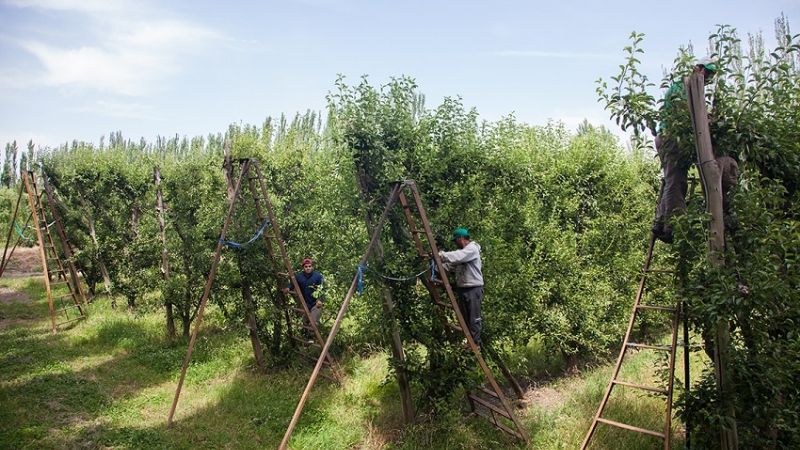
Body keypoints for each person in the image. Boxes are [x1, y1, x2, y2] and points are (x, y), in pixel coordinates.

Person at [652, 57, 718, 243]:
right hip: (671, 137)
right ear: (698, 68)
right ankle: (674, 225)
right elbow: (686, 111)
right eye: (707, 72)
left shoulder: (692, 89)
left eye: (711, 75)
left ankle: (660, 222)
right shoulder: (683, 87)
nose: (708, 77)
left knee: (672, 179)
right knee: (676, 181)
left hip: (669, 137)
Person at [439, 227, 484, 348]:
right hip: (463, 288)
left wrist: (441, 255)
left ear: (461, 238)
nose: (455, 243)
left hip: (473, 288)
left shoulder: (471, 249)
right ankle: (469, 341)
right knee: (465, 317)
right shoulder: (464, 253)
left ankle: (475, 342)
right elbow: (452, 265)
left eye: (456, 240)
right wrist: (437, 265)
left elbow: (458, 256)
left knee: (474, 317)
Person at [283, 258, 324, 336]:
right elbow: (292, 284)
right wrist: (288, 288)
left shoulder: (318, 276)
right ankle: (308, 338)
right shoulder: (299, 276)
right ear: (303, 268)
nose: (308, 268)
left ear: (312, 267)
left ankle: (312, 337)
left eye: (309, 266)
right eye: (306, 267)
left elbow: (322, 289)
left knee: (313, 321)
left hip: (315, 303)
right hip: (305, 303)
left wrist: (319, 300)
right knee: (306, 322)